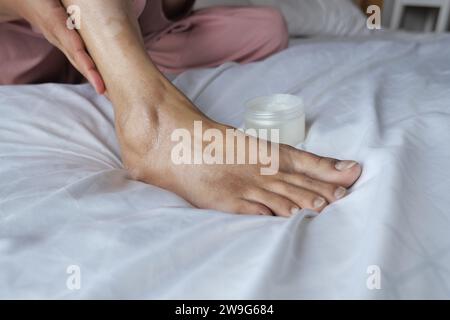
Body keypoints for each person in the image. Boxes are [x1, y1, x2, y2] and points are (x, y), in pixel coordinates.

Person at [0, 0, 362, 217]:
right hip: (21, 48)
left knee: (267, 27)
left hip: (125, 33)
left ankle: (124, 66)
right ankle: (151, 122)